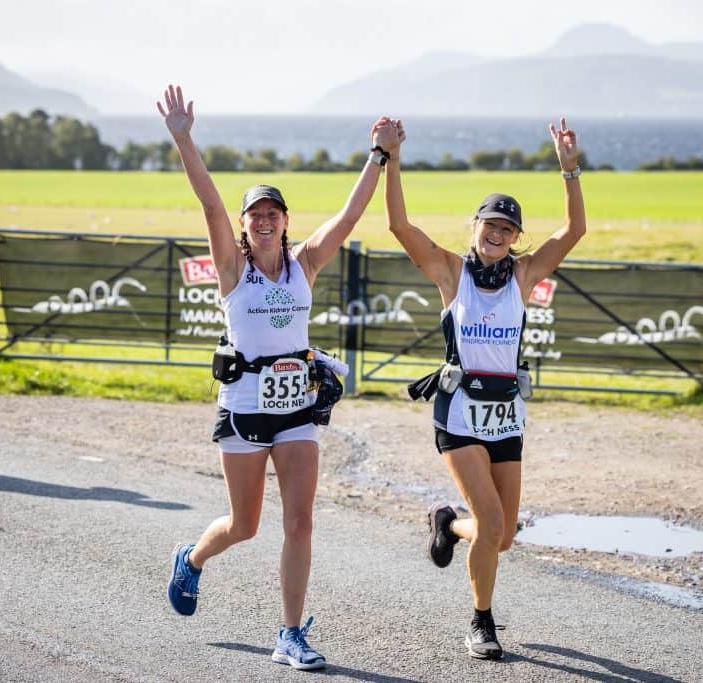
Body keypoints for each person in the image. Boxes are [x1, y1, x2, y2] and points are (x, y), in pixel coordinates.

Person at [158, 84, 398, 671]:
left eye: (273, 213)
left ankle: (290, 634)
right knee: (245, 524)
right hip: (243, 407)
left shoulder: (305, 264)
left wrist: (379, 154)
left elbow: (350, 215)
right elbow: (211, 206)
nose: (264, 221)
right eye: (255, 215)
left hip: (296, 409)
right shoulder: (233, 269)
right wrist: (185, 139)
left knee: (300, 520)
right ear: (244, 228)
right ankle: (191, 559)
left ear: (286, 221)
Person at [384, 117, 586, 660]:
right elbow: (400, 226)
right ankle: (481, 622)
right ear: (474, 226)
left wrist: (569, 170)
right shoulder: (452, 273)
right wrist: (392, 159)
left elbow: (573, 233)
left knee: (504, 534)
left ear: (515, 238)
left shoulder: (523, 277)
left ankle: (449, 525)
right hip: (459, 415)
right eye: (489, 226)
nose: (496, 236)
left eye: (507, 230)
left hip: (507, 416)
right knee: (494, 522)